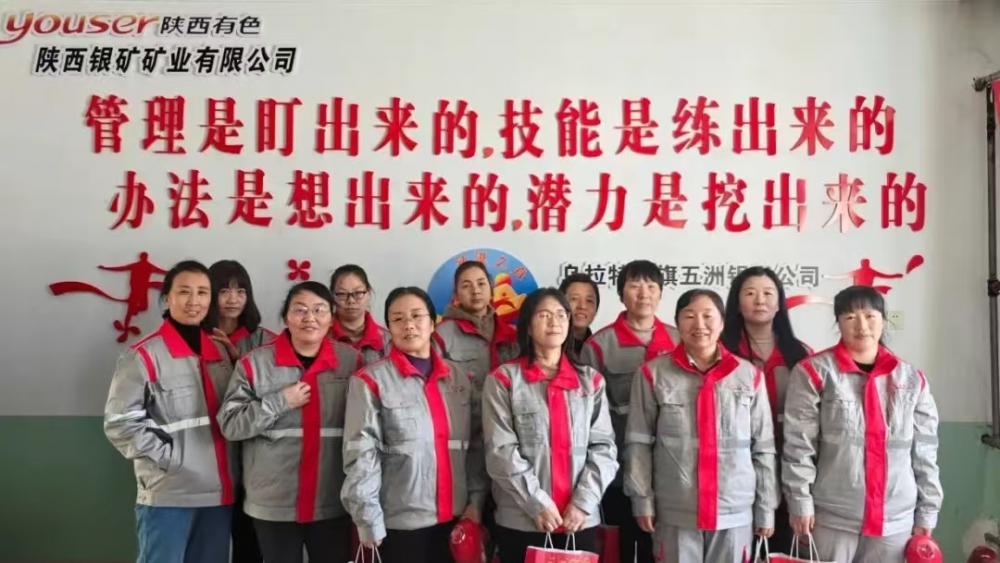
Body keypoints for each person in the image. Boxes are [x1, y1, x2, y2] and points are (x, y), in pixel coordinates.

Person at [782, 286, 942, 562]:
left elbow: (925, 451)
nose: (862, 325)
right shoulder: (813, 372)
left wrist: (928, 510)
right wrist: (800, 501)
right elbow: (798, 445)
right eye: (850, 317)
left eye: (870, 315)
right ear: (838, 323)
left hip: (895, 519)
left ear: (883, 320)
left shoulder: (911, 378)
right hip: (833, 516)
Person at [624, 288, 778, 563]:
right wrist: (642, 499)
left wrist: (766, 507)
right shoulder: (652, 374)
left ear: (722, 322)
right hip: (676, 510)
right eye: (689, 316)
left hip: (733, 511)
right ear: (677, 322)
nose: (699, 324)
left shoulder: (749, 375)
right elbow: (638, 442)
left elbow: (763, 447)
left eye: (708, 316)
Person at [218, 281, 361, 563]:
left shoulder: (351, 362)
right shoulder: (254, 363)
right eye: (300, 310)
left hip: (332, 499)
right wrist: (280, 401)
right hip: (273, 503)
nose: (310, 318)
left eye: (319, 310)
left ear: (331, 318)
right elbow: (231, 425)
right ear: (286, 317)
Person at [104, 260, 237, 563]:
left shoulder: (220, 352)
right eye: (184, 292)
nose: (194, 301)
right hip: (169, 493)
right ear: (167, 298)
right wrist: (171, 461)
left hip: (220, 494)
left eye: (202, 292)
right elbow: (120, 424)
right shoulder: (143, 355)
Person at [342, 287, 488, 563]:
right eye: (398, 319)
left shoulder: (458, 378)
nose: (408, 325)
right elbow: (361, 457)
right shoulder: (370, 381)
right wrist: (368, 519)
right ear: (389, 328)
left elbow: (475, 445)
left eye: (416, 316)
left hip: (457, 520)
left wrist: (476, 501)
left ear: (432, 323)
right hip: (401, 525)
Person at [482, 288, 618, 563]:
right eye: (544, 315)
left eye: (560, 315)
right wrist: (537, 504)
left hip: (579, 520)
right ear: (528, 326)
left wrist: (582, 503)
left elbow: (604, 448)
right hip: (522, 520)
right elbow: (500, 452)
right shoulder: (504, 380)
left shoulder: (590, 381)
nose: (554, 322)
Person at [578, 259, 679, 563]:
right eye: (635, 286)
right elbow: (588, 417)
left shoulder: (681, 341)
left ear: (661, 293)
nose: (643, 293)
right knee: (620, 550)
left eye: (651, 286)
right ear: (621, 294)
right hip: (619, 474)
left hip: (673, 474)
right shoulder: (599, 346)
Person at [720, 266, 811, 553]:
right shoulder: (720, 352)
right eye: (750, 293)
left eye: (768, 293)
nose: (760, 300)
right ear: (737, 302)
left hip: (790, 466)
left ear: (779, 303)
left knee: (781, 548)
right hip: (736, 469)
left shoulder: (801, 355)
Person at [207, 260, 276, 365]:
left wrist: (236, 358)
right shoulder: (196, 336)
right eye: (224, 291)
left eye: (240, 291)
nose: (233, 300)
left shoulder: (265, 338)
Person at [329, 264, 391, 365]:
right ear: (332, 296)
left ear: (368, 293)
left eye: (358, 293)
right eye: (342, 294)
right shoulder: (320, 336)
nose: (351, 301)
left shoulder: (388, 340)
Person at [558, 273, 600, 355]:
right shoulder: (549, 346)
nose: (582, 306)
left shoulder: (601, 347)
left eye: (589, 300)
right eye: (574, 299)